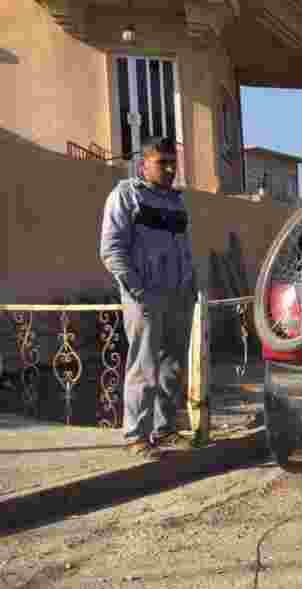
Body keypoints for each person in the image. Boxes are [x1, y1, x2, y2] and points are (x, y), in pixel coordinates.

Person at [100, 136, 196, 457]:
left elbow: (184, 250)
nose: (170, 169)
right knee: (144, 365)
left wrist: (189, 288)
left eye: (173, 162)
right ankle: (135, 436)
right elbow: (112, 250)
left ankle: (164, 429)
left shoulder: (176, 202)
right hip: (145, 298)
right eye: (162, 163)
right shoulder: (126, 196)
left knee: (172, 366)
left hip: (178, 297)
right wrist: (138, 292)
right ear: (144, 164)